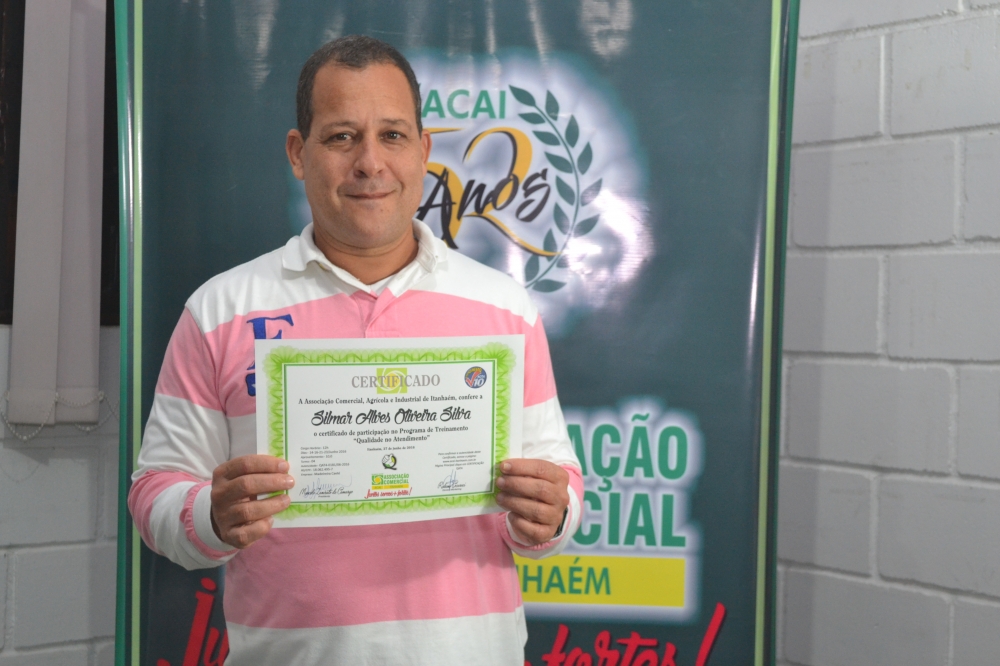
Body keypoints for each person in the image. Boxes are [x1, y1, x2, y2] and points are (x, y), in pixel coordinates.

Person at [128, 35, 583, 665]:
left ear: (423, 151)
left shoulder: (505, 308)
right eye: (342, 137)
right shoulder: (219, 311)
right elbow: (153, 492)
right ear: (299, 153)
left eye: (392, 135)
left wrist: (552, 515)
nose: (370, 162)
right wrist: (211, 515)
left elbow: (562, 486)